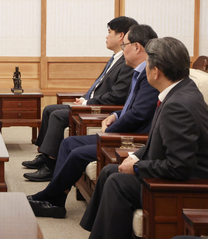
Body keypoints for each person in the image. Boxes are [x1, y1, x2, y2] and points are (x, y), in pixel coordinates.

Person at [80, 37, 208, 239]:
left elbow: (179, 166)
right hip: (172, 174)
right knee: (109, 171)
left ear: (156, 71)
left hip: (185, 188)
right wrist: (137, 157)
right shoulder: (180, 90)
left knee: (117, 183)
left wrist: (138, 168)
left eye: (147, 63)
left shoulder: (178, 106)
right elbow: (160, 142)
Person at [28, 24, 159, 218]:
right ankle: (55, 198)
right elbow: (130, 105)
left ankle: (51, 198)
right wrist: (115, 114)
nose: (123, 50)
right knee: (67, 143)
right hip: (123, 129)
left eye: (126, 45)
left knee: (77, 153)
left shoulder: (149, 75)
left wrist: (113, 128)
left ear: (137, 47)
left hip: (131, 137)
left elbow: (138, 114)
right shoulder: (138, 71)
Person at [22, 16, 137, 182]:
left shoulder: (126, 64)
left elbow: (117, 96)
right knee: (49, 109)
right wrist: (84, 98)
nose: (106, 36)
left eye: (109, 32)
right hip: (92, 104)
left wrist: (88, 103)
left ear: (120, 36)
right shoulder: (115, 58)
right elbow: (99, 85)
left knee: (57, 115)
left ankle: (51, 165)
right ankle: (46, 155)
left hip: (100, 109)